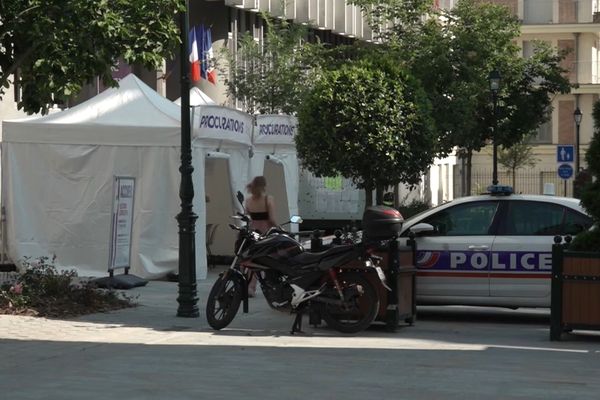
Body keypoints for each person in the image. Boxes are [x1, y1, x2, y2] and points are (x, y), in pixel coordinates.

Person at [243, 176, 277, 296]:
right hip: (266, 233)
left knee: (253, 261)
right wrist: (280, 229)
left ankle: (250, 288)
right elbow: (272, 220)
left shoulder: (248, 201)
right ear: (263, 186)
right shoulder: (268, 199)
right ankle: (271, 286)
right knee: (271, 260)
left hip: (252, 233)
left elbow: (247, 217)